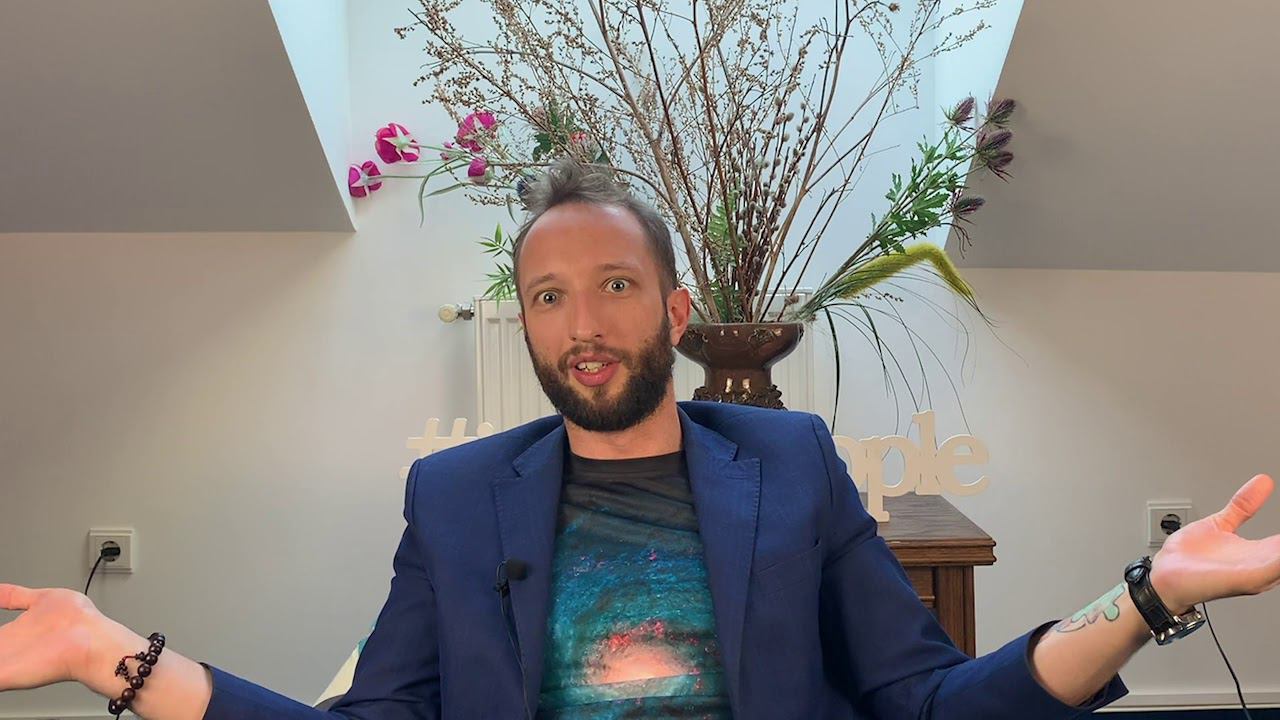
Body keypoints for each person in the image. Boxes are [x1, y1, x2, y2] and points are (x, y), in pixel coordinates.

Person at [2, 159, 1279, 720]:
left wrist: (1146, 596)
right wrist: (104, 651)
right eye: (546, 297)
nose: (581, 325)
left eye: (614, 286)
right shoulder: (453, 495)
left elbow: (928, 701)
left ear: (673, 311)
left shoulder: (787, 464)